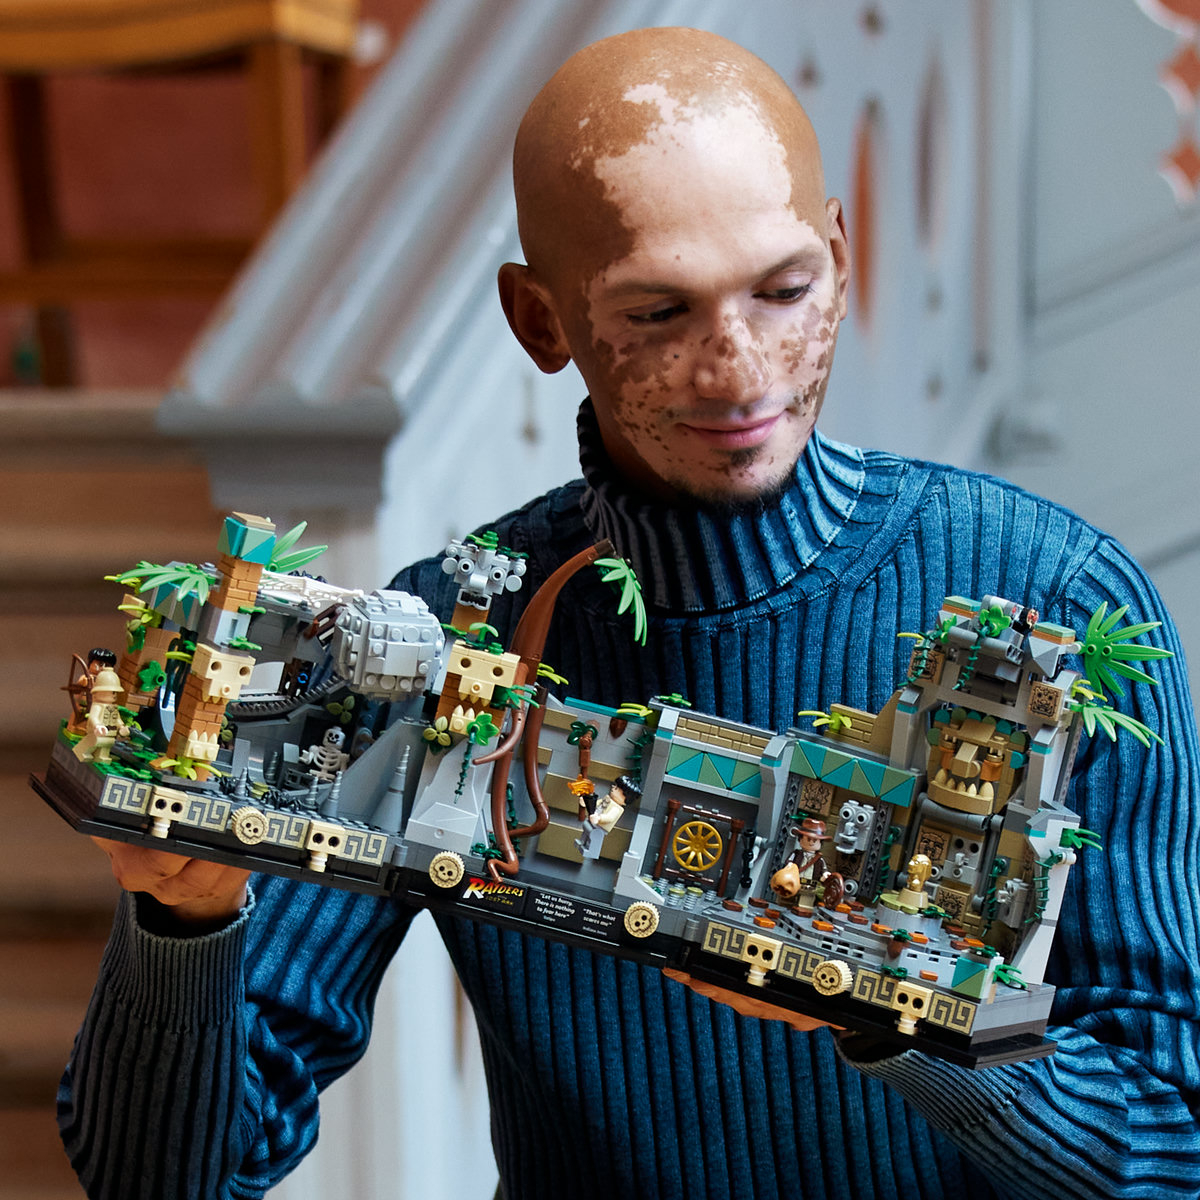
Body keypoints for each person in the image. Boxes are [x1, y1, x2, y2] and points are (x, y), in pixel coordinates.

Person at [61, 27, 1200, 1199]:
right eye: (658, 313)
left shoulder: (1058, 606)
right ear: (539, 322)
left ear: (841, 257)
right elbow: (161, 1180)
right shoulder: (449, 642)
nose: (738, 367)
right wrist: (181, 929)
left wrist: (895, 1016)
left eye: (784, 290)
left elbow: (1171, 1152)